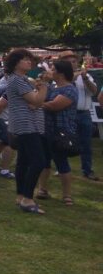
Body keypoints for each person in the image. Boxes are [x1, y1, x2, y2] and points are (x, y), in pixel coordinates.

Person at [3, 48, 49, 214]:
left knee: (23, 161)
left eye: (30, 59)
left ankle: (21, 195)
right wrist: (44, 86)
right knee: (39, 161)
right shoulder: (18, 80)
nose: (29, 62)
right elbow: (37, 101)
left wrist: (35, 96)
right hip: (27, 125)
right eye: (25, 59)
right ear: (15, 63)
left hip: (23, 124)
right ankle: (28, 199)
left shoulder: (18, 79)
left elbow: (32, 101)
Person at [35, 59, 78, 206]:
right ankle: (42, 189)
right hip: (45, 130)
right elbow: (40, 96)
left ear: (60, 73)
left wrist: (36, 103)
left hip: (61, 132)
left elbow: (54, 106)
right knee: (44, 162)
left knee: (61, 163)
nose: (50, 72)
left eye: (53, 70)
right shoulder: (52, 87)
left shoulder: (70, 89)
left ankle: (67, 195)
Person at [58, 51, 99, 180]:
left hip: (84, 113)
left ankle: (87, 170)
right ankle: (62, 169)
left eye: (74, 61)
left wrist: (85, 78)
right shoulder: (60, 77)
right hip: (68, 114)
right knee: (64, 143)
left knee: (86, 143)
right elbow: (68, 84)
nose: (72, 64)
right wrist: (75, 75)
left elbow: (94, 91)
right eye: (69, 62)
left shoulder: (86, 76)